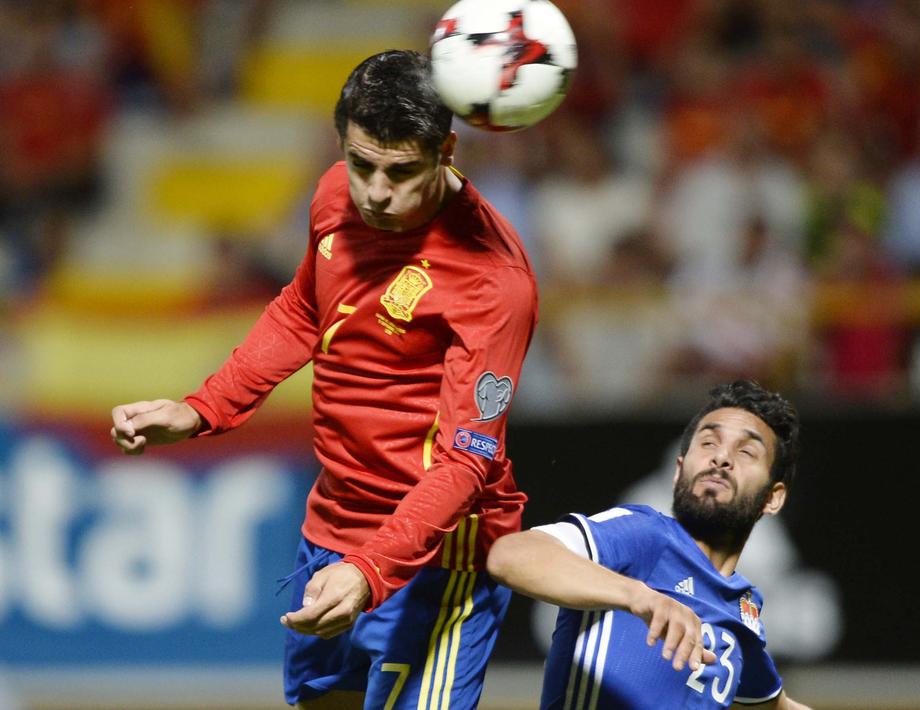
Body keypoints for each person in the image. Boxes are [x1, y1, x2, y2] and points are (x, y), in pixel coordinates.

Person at [109, 50, 538, 710]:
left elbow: (465, 462)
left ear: (446, 151)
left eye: (401, 172)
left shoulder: (493, 281)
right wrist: (201, 409)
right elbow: (305, 308)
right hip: (331, 529)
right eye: (362, 164)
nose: (376, 192)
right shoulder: (335, 194)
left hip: (436, 559)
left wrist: (371, 570)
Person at [487, 381, 813, 709]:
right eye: (708, 442)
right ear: (678, 471)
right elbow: (509, 556)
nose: (721, 457)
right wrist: (639, 597)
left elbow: (775, 705)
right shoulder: (646, 536)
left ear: (773, 498)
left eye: (746, 451)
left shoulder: (742, 607)